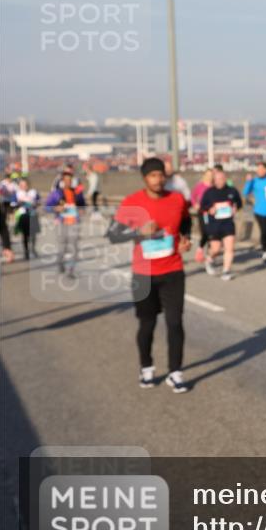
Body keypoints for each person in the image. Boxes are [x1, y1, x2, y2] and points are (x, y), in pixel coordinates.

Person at [107, 157, 192, 393]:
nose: (158, 179)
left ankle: (175, 372)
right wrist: (139, 231)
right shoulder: (132, 202)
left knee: (175, 323)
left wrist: (186, 239)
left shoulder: (176, 199)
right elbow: (113, 235)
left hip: (173, 270)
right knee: (148, 324)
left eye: (161, 175)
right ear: (145, 178)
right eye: (153, 175)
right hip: (144, 274)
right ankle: (146, 366)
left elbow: (186, 220)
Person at [200, 166, 243, 280]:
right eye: (218, 179)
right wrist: (210, 209)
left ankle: (226, 271)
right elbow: (202, 206)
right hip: (214, 224)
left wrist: (235, 208)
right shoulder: (209, 192)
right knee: (216, 249)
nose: (221, 181)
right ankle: (209, 259)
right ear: (214, 180)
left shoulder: (232, 191)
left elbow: (239, 203)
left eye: (223, 178)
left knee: (229, 248)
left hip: (228, 224)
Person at [45, 171, 86, 278]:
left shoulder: (77, 193)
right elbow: (47, 207)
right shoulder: (56, 193)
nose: (68, 182)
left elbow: (83, 206)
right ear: (62, 181)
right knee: (62, 248)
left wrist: (81, 210)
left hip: (74, 223)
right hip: (61, 223)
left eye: (70, 180)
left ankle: (71, 271)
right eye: (65, 180)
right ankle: (60, 263)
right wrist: (56, 208)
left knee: (74, 248)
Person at [191, 168, 214, 264]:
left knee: (212, 234)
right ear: (204, 175)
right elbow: (192, 196)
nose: (209, 176)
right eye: (208, 174)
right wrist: (195, 204)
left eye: (211, 174)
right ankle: (200, 249)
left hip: (213, 212)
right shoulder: (200, 186)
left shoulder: (214, 186)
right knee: (205, 232)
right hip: (203, 212)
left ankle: (210, 254)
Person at [13, 177, 40, 261]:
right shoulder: (18, 193)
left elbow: (39, 201)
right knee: (25, 235)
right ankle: (26, 251)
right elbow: (12, 204)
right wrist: (19, 204)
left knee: (33, 234)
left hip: (32, 214)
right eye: (22, 185)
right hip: (23, 215)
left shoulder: (33, 192)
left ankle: (33, 248)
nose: (23, 186)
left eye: (25, 184)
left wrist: (35, 204)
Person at [0, 173, 16, 263]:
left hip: (2, 207)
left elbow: (5, 192)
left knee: (3, 229)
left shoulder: (2, 185)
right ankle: (7, 249)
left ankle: (7, 249)